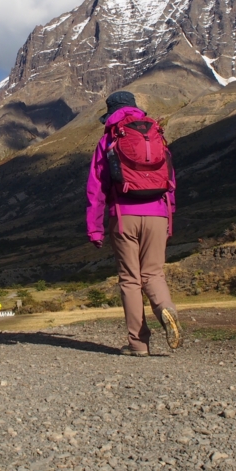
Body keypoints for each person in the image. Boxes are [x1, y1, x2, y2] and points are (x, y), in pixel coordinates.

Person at [86, 91, 182, 355]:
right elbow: (170, 181)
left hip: (124, 215)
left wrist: (94, 228)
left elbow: (96, 188)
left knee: (130, 279)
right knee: (153, 273)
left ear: (111, 113)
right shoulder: (156, 135)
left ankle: (138, 344)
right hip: (158, 214)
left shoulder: (109, 138)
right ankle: (166, 310)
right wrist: (169, 219)